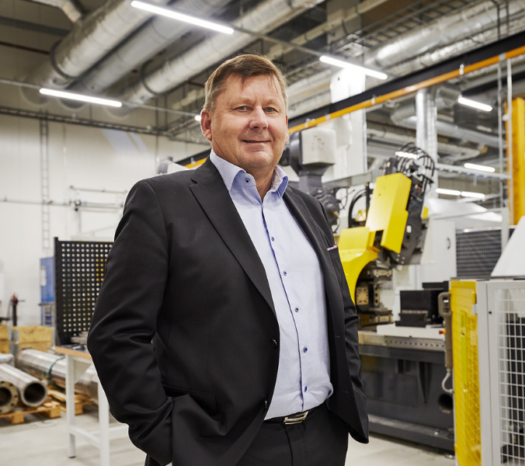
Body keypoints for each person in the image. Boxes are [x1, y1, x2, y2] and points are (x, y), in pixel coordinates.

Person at [88, 54, 368, 466]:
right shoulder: (162, 202)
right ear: (207, 124)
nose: (260, 121)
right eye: (242, 108)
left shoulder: (309, 209)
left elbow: (341, 314)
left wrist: (349, 396)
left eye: (271, 109)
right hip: (219, 447)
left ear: (285, 124)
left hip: (323, 438)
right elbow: (117, 335)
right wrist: (166, 437)